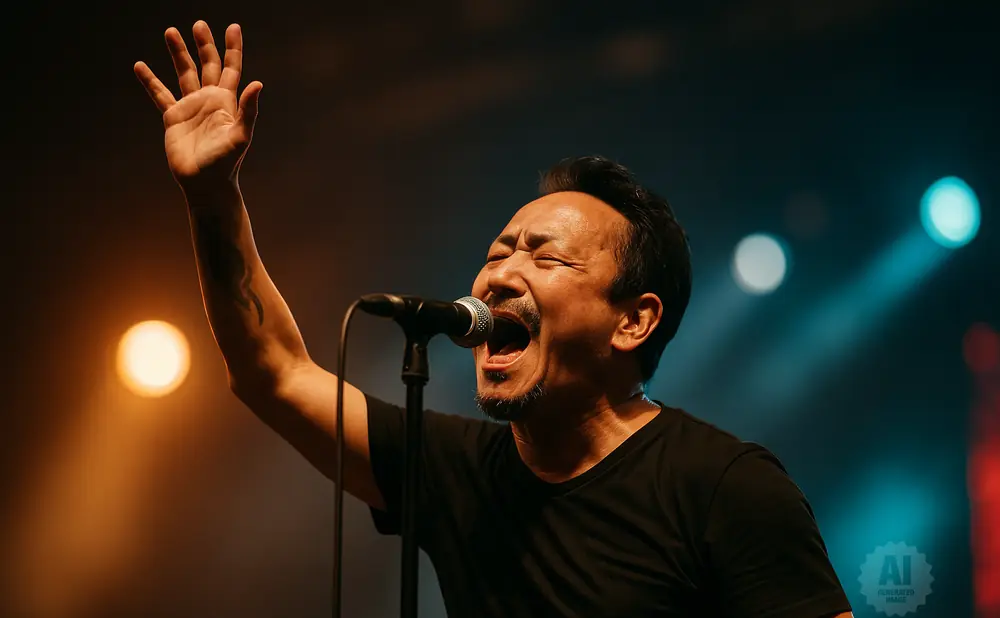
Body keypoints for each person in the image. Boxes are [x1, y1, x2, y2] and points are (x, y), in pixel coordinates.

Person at [134, 20, 854, 618]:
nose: (500, 272)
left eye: (546, 258)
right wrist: (212, 196)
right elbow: (272, 370)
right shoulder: (457, 471)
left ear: (632, 322)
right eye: (500, 250)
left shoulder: (725, 486)